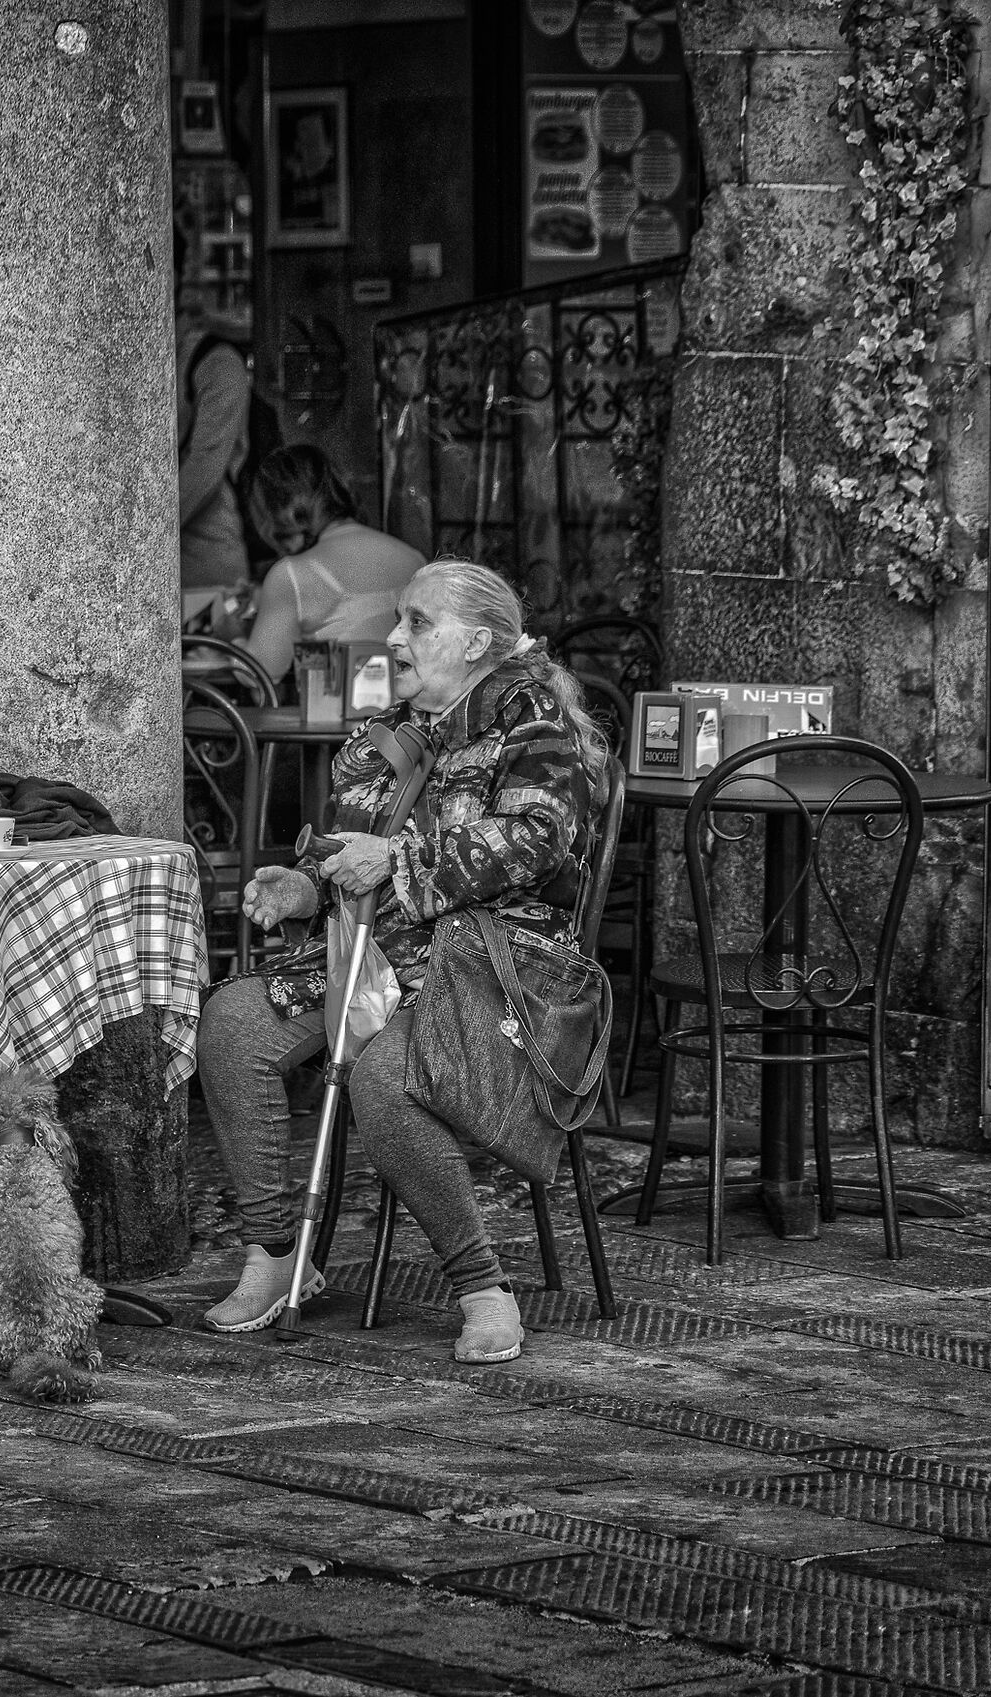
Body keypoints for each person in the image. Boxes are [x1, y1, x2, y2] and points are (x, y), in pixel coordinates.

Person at [195, 559, 607, 1365]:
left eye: (418, 622)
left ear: (480, 640)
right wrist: (306, 886)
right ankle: (278, 1253)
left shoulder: (537, 730)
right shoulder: (399, 732)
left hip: (498, 973)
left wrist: (400, 860)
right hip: (382, 960)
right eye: (400, 618)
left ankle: (482, 1286)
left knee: (388, 1073)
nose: (394, 637)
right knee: (232, 1024)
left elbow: (535, 840)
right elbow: (357, 849)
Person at [238, 445, 426, 685]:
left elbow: (258, 676)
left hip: (337, 719)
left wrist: (234, 639)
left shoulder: (291, 574)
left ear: (273, 512)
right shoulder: (414, 558)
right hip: (409, 718)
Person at [177, 305, 256, 618]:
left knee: (222, 645)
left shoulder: (218, 364)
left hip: (210, 556)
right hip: (182, 554)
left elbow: (207, 464)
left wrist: (149, 537)